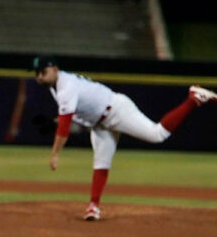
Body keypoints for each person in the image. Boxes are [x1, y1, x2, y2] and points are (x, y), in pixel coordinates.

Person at [32, 55, 217, 220]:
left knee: (157, 135)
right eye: (36, 73)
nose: (39, 76)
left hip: (116, 110)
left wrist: (55, 153)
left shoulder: (66, 87)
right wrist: (56, 121)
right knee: (101, 163)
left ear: (55, 69)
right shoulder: (56, 85)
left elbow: (65, 125)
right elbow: (78, 112)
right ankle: (93, 207)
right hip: (99, 123)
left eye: (43, 71)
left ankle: (194, 99)